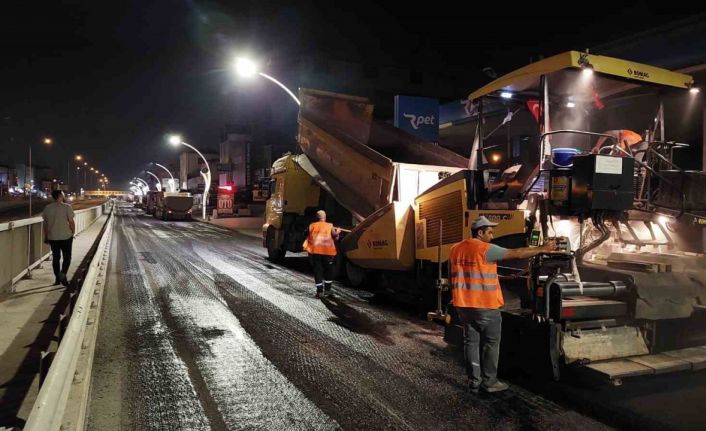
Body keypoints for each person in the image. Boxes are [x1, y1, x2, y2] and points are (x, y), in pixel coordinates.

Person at [449, 216, 556, 393]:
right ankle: (489, 382)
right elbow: (518, 253)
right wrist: (543, 249)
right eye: (490, 232)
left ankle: (473, 381)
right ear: (480, 232)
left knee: (470, 342)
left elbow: (457, 274)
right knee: (491, 343)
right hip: (485, 306)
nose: (492, 236)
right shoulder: (486, 249)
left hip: (463, 305)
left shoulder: (455, 249)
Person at [42, 190, 75, 286]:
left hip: (53, 237)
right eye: (63, 194)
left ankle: (57, 279)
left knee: (56, 258)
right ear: (60, 196)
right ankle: (63, 275)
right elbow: (71, 221)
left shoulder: (47, 208)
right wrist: (73, 231)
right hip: (66, 237)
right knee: (67, 258)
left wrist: (46, 236)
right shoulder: (67, 207)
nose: (64, 196)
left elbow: (45, 224)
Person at [304, 210, 339, 298]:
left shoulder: (312, 225)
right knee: (328, 271)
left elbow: (305, 233)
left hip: (316, 252)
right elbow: (335, 236)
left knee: (318, 271)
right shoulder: (330, 225)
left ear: (317, 217)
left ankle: (319, 292)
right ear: (325, 217)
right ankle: (327, 290)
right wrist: (337, 232)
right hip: (328, 253)